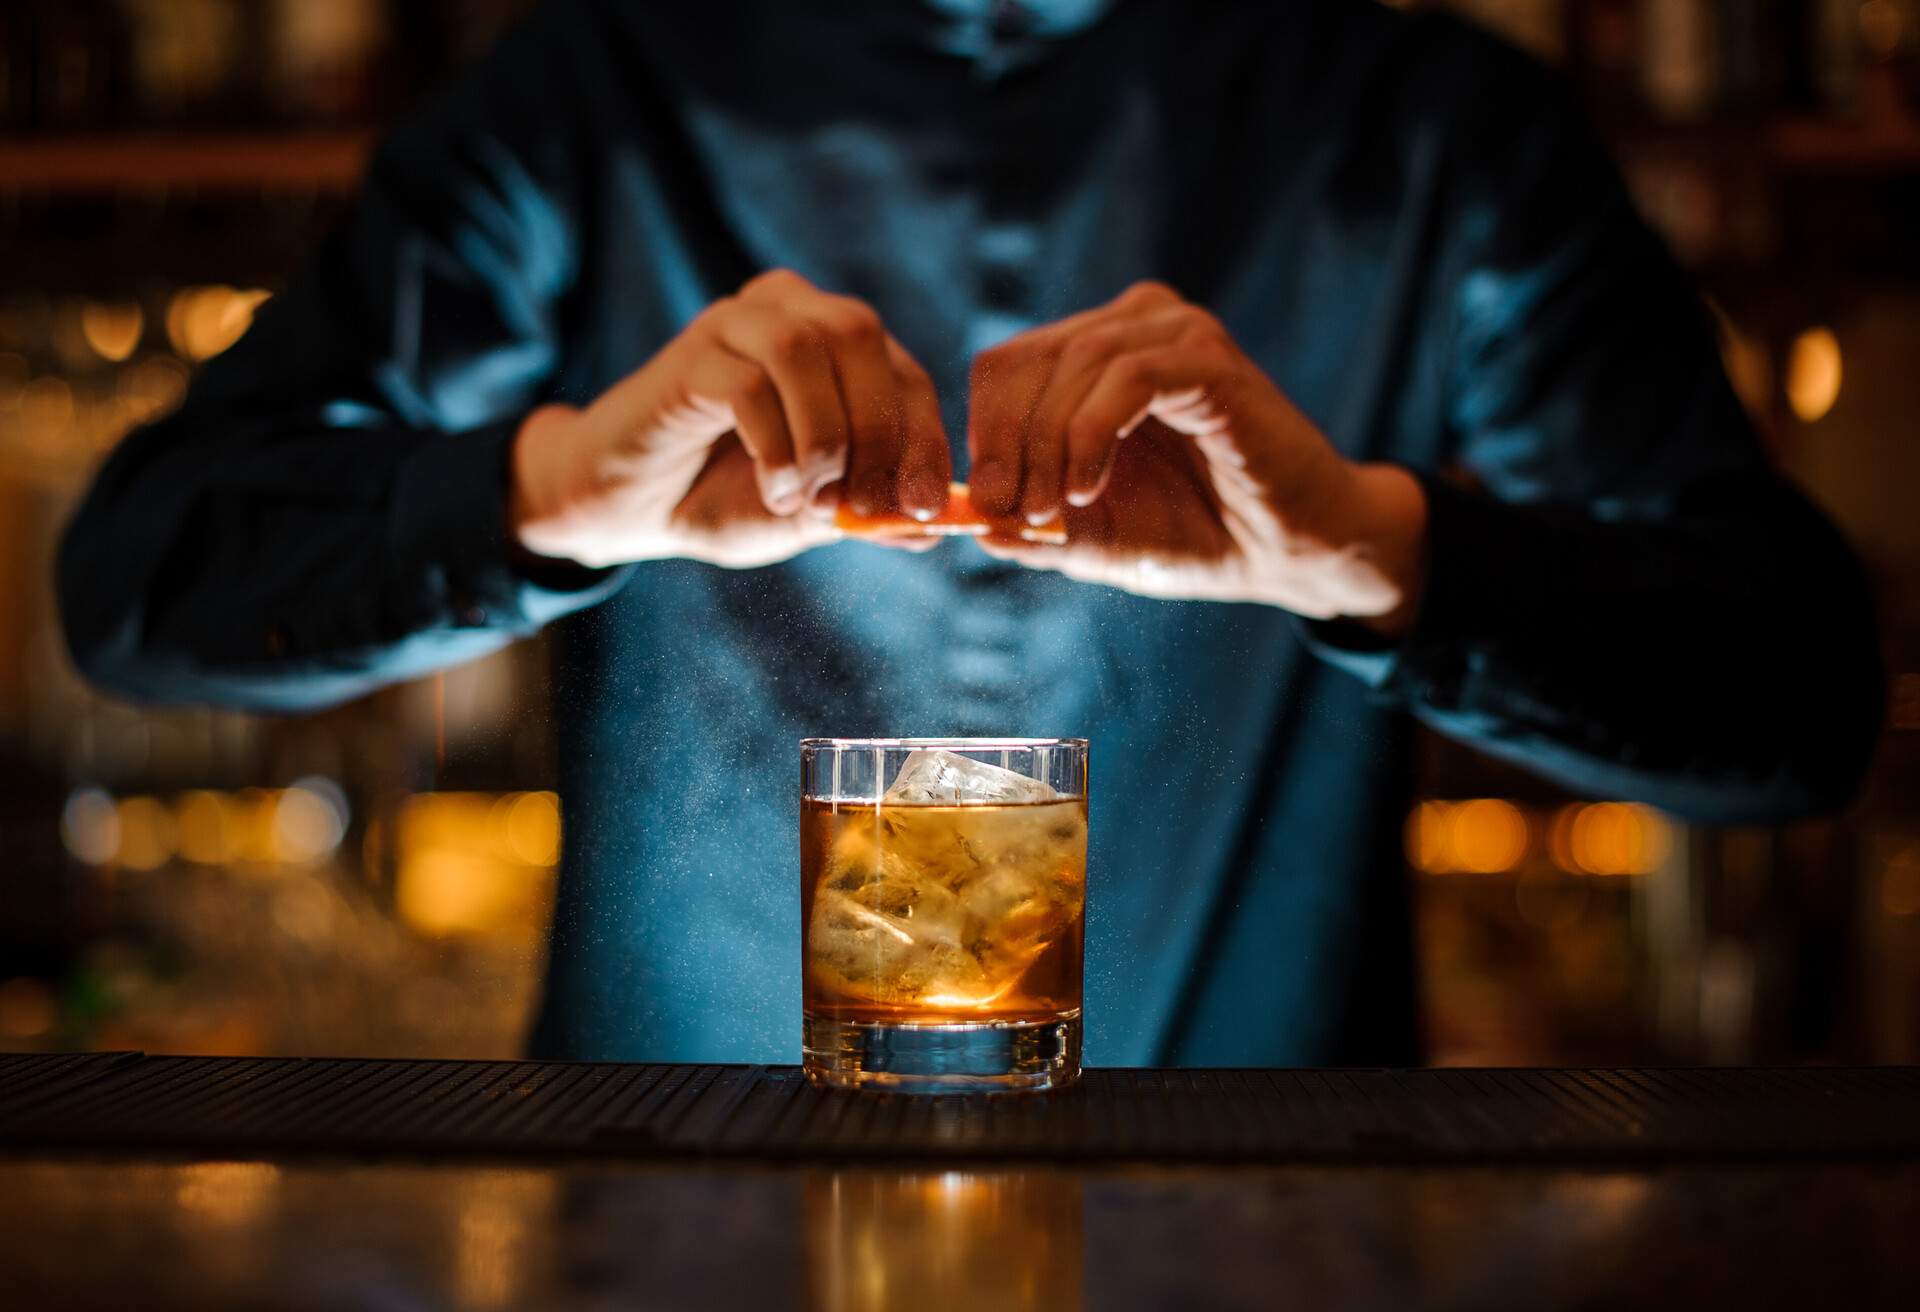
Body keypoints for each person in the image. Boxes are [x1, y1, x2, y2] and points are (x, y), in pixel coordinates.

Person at [57, 0, 1881, 1066]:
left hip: (1274, 1238)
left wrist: (1365, 549)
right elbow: (143, 584)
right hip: (669, 1234)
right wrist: (553, 497)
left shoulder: (1440, 130)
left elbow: (1797, 698)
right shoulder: (587, 106)